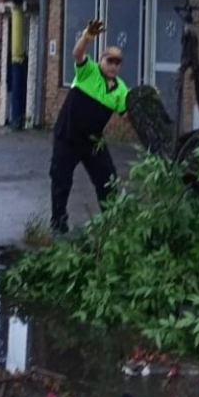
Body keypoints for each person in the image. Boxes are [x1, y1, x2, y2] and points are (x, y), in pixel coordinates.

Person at [50, 19, 129, 235]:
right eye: (110, 60)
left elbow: (126, 115)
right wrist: (87, 36)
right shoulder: (88, 71)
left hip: (93, 140)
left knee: (108, 179)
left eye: (118, 62)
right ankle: (58, 223)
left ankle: (111, 222)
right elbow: (77, 54)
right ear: (101, 60)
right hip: (68, 134)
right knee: (61, 178)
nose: (113, 66)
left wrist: (143, 106)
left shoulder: (121, 89)